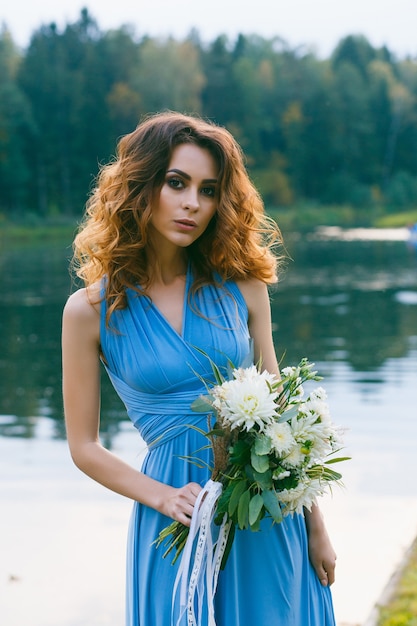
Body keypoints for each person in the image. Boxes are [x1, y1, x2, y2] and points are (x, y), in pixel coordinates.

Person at [62, 111, 337, 626]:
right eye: (176, 183)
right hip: (174, 514)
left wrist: (316, 524)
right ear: (140, 187)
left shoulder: (245, 288)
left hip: (264, 507)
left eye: (208, 190)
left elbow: (283, 420)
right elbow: (83, 447)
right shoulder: (89, 312)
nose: (193, 203)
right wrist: (163, 497)